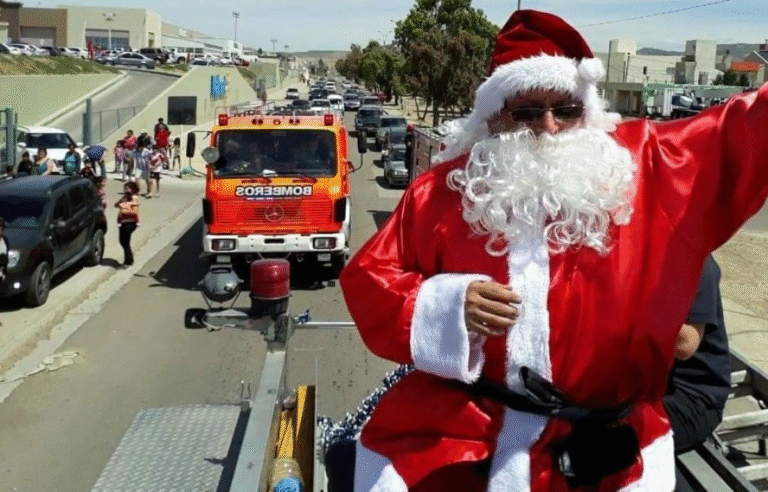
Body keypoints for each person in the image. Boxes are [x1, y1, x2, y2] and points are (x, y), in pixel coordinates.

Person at [339, 10, 768, 492]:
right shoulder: (442, 194)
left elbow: (749, 129)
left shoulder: (650, 169)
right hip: (467, 432)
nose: (550, 126)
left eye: (565, 109)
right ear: (495, 117)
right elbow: (369, 280)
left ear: (586, 109)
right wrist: (447, 305)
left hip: (609, 446)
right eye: (527, 112)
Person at [665, 255, 730, 492]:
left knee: (609, 441)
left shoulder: (694, 261)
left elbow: (685, 343)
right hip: (652, 389)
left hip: (692, 399)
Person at [115, 181, 140, 267]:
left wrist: (123, 205)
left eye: (127, 188)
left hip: (130, 223)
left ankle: (129, 261)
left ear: (132, 190)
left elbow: (133, 210)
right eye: (124, 188)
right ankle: (128, 260)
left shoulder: (134, 198)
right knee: (122, 241)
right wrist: (121, 202)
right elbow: (116, 205)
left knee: (125, 242)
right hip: (123, 222)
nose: (125, 190)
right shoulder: (124, 197)